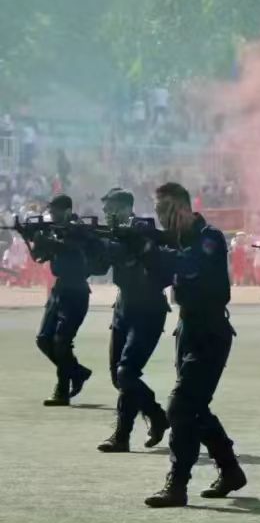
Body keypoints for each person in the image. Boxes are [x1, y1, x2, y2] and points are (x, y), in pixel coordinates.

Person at [142, 182, 246, 507]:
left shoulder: (209, 237)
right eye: (158, 211)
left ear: (185, 209)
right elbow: (160, 275)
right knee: (194, 407)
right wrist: (136, 250)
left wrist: (152, 249)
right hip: (187, 328)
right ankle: (230, 470)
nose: (162, 217)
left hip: (210, 331)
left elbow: (188, 265)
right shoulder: (176, 240)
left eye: (166, 210)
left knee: (180, 406)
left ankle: (177, 484)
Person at [96, 188, 172, 452]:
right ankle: (146, 421)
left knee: (126, 372)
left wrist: (134, 240)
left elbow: (160, 267)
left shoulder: (143, 230)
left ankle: (135, 428)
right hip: (124, 308)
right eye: (106, 210)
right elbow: (97, 268)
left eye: (112, 209)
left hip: (148, 310)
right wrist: (92, 244)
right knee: (118, 376)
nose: (107, 213)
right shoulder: (113, 234)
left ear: (127, 208)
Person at [31, 195, 94, 406]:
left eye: (56, 211)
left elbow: (70, 247)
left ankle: (62, 391)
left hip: (76, 291)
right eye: (51, 212)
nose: (52, 215)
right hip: (59, 290)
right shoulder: (54, 230)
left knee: (61, 342)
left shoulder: (79, 229)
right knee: (43, 339)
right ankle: (76, 372)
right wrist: (34, 239)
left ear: (67, 211)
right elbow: (39, 257)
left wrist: (47, 240)